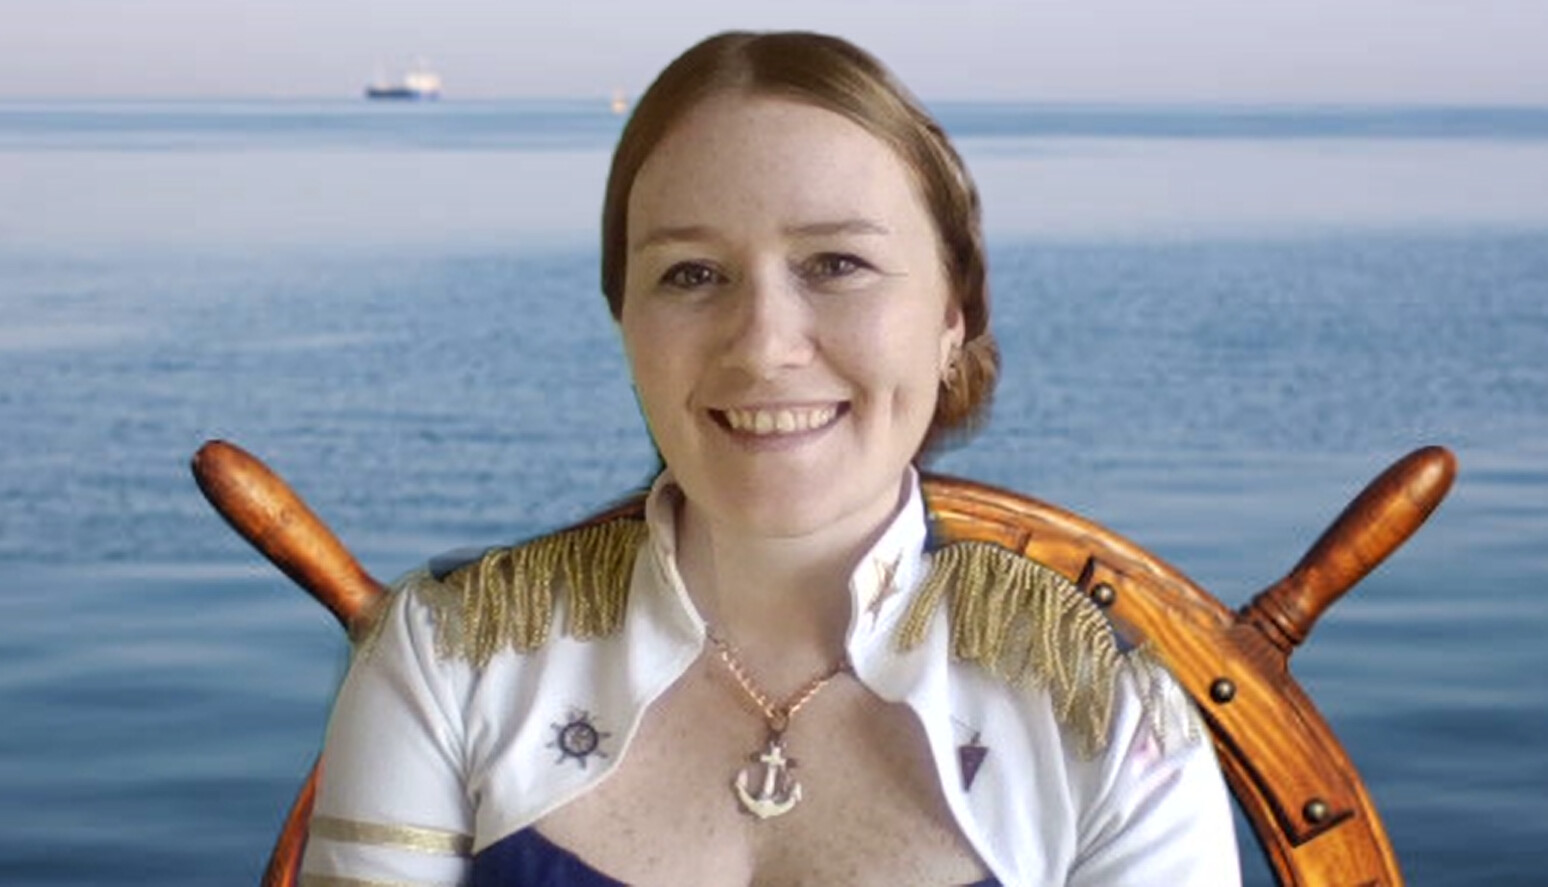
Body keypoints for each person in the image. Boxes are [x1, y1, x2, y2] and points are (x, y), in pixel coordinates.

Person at [298, 30, 1240, 886]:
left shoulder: (1106, 716)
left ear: (952, 317)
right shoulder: (450, 658)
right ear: (625, 323)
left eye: (837, 264)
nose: (762, 345)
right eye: (692, 274)